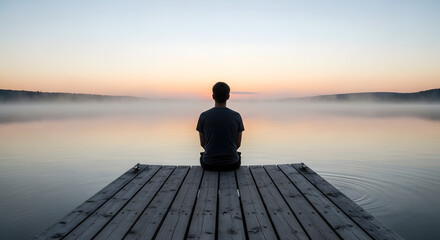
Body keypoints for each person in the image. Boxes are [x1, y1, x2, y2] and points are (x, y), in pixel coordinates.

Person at [196, 82, 245, 171]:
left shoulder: (203, 116)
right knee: (237, 154)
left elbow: (203, 144)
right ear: (228, 97)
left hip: (209, 164)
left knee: (203, 154)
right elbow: (238, 144)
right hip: (232, 163)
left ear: (213, 96)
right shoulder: (236, 116)